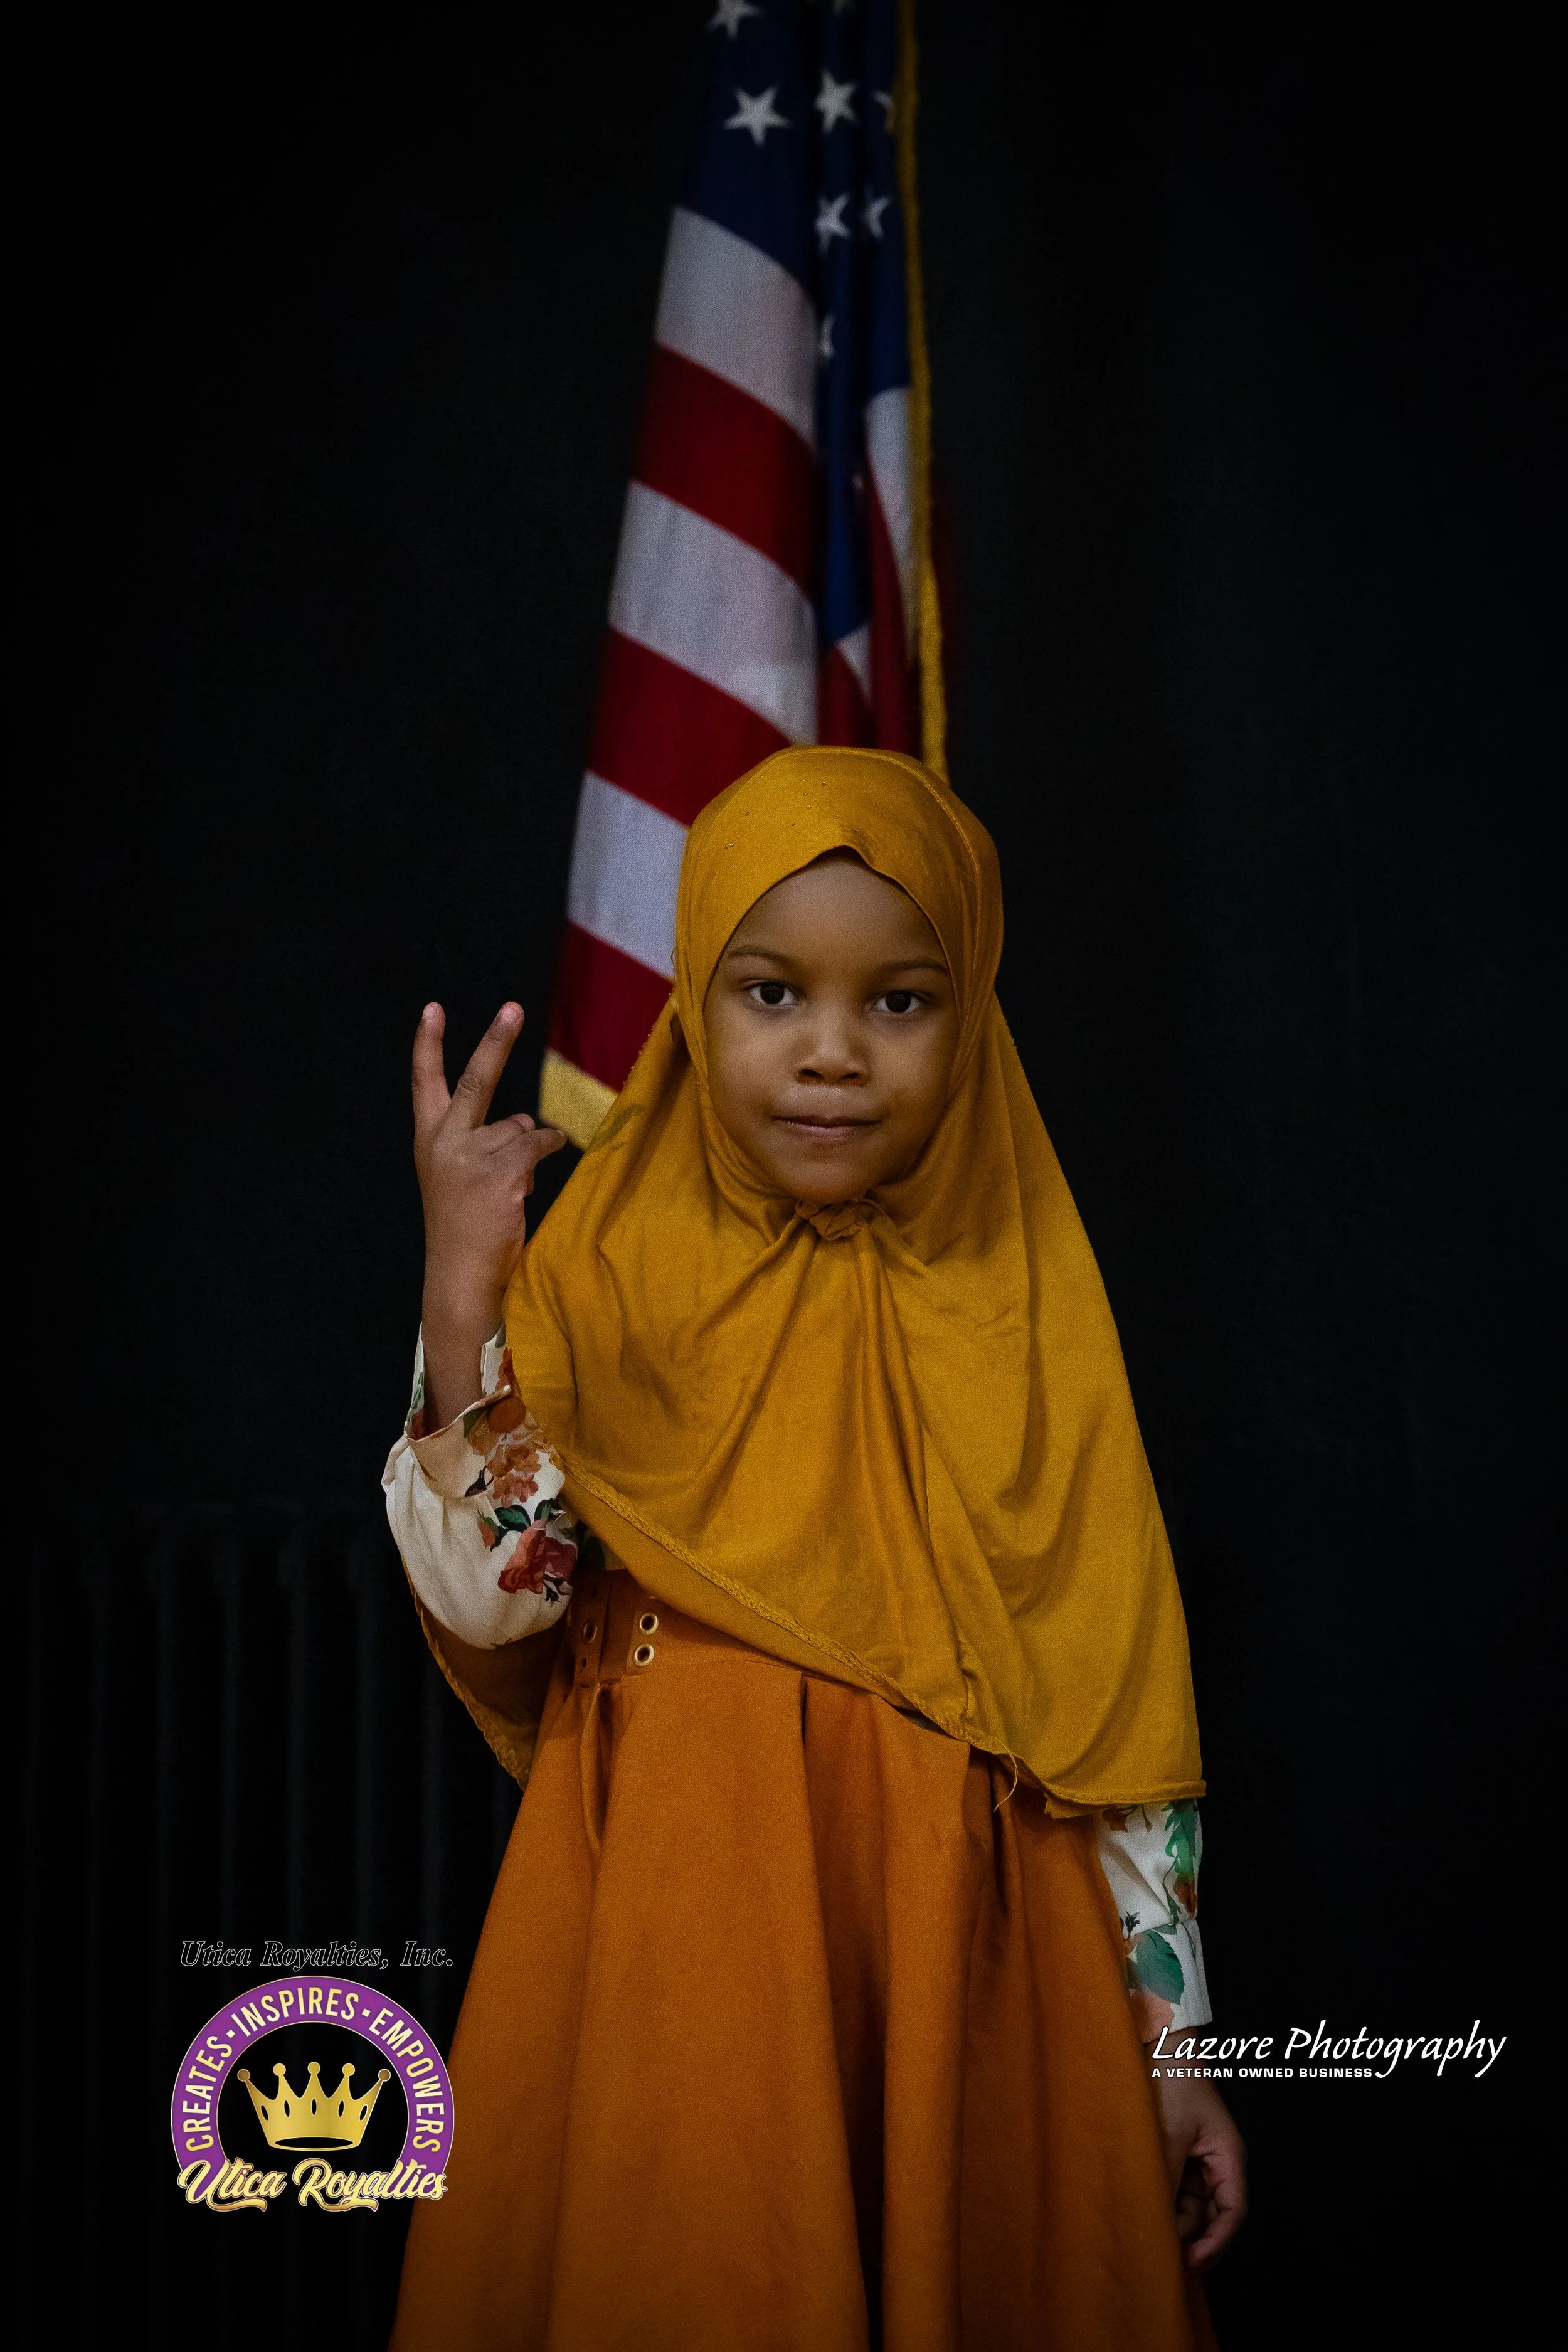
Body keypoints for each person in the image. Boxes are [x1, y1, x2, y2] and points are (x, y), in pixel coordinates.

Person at [385, 746, 1246, 2350]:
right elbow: (491, 1604)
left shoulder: (1030, 1302)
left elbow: (1111, 1697)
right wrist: (462, 1293)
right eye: (771, 994)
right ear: (691, 1007)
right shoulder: (599, 1269)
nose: (833, 1055)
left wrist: (1168, 2046)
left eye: (899, 1003)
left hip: (969, 1952)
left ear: (969, 1012)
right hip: (676, 1923)